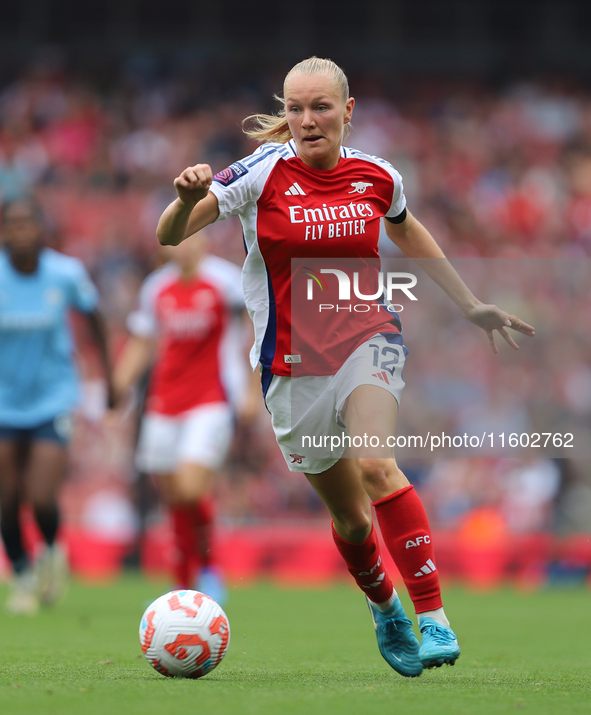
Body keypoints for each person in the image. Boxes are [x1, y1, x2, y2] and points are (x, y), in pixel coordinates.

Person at [156, 57, 535, 677]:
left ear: (347, 111)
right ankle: (385, 605)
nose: (307, 121)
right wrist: (184, 201)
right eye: (296, 108)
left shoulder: (378, 175)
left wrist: (470, 304)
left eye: (321, 107)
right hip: (290, 367)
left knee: (377, 465)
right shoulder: (258, 174)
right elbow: (170, 236)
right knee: (351, 519)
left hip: (369, 338)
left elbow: (407, 231)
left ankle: (434, 615)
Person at [113, 230, 256, 603]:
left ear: (204, 241)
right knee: (174, 495)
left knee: (191, 486)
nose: (183, 246)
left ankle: (210, 569)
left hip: (212, 398)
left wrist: (254, 390)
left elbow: (260, 326)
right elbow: (143, 341)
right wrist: (118, 386)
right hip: (163, 402)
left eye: (190, 239)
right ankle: (183, 581)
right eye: (175, 241)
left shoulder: (225, 282)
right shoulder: (155, 288)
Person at [0, 198, 114, 614]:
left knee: (42, 495)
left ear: (41, 229)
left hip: (54, 399)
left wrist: (110, 378)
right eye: (11, 224)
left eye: (27, 223)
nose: (19, 232)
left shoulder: (64, 273)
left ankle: (51, 551)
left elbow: (96, 319)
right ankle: (23, 576)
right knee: (7, 498)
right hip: (4, 403)